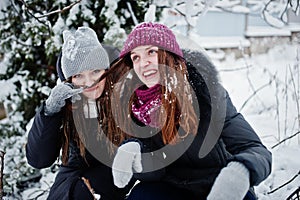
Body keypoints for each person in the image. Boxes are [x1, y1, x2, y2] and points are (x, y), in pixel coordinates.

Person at [108, 22, 272, 200]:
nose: (143, 63)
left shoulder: (208, 94)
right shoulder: (137, 107)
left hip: (220, 185)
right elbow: (156, 173)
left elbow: (254, 148)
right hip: (175, 186)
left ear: (169, 55)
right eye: (135, 58)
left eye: (151, 52)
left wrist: (240, 172)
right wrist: (137, 155)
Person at [26, 27, 134, 200]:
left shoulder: (122, 91)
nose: (89, 82)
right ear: (69, 79)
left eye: (96, 72)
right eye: (78, 76)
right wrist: (50, 112)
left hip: (116, 170)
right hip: (74, 175)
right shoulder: (67, 102)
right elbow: (38, 160)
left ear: (106, 69)